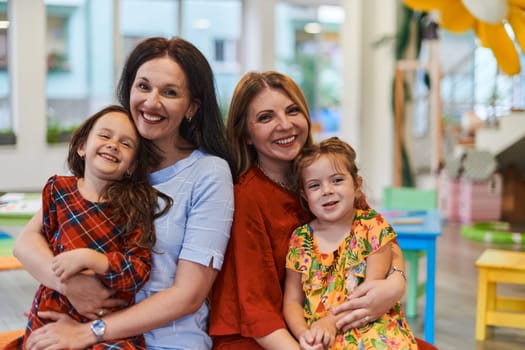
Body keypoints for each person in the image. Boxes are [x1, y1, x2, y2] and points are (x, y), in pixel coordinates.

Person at [13, 37, 234, 350]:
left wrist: (91, 331)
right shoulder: (114, 161)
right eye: (143, 86)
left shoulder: (209, 173)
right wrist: (71, 287)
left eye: (169, 92)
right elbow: (26, 243)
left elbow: (189, 295)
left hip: (165, 342)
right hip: (80, 330)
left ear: (192, 108)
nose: (151, 102)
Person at [209, 71, 414, 350]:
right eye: (265, 117)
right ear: (245, 133)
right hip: (263, 336)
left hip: (334, 327)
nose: (285, 125)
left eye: (292, 110)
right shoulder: (246, 197)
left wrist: (395, 285)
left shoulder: (326, 171)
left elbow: (376, 235)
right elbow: (257, 311)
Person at [5, 105, 173, 350]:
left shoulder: (133, 207)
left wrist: (93, 260)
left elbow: (139, 270)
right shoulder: (58, 191)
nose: (113, 144)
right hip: (53, 311)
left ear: (132, 166)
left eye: (126, 143)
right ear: (82, 146)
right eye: (105, 136)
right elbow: (33, 244)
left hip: (107, 322)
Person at [282, 137, 417, 349]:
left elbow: (368, 296)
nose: (327, 190)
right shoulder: (300, 239)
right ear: (304, 195)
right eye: (315, 185)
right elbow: (291, 302)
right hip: (320, 332)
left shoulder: (372, 226)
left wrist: (331, 322)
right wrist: (304, 335)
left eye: (337, 180)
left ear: (357, 185)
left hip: (368, 324)